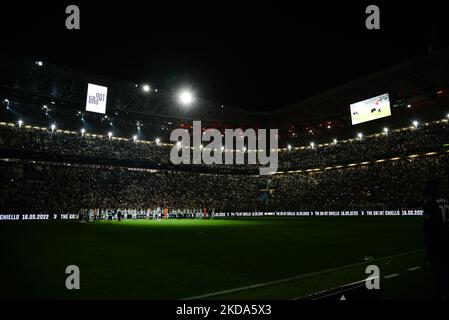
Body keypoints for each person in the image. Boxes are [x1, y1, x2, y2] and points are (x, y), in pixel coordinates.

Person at [422, 178, 449, 300]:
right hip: (446, 237)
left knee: (437, 267)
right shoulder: (446, 200)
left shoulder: (429, 202)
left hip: (436, 239)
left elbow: (427, 223)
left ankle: (442, 292)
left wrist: (427, 238)